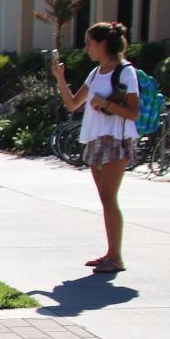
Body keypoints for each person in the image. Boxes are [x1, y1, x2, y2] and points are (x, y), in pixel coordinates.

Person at [52, 21, 138, 274]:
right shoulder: (95, 72)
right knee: (105, 199)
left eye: (90, 42)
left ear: (104, 43)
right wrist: (60, 78)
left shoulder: (125, 72)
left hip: (116, 140)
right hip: (96, 140)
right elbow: (72, 104)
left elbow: (133, 113)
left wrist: (106, 104)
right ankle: (111, 254)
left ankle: (117, 257)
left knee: (109, 197)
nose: (87, 47)